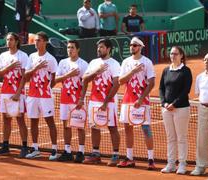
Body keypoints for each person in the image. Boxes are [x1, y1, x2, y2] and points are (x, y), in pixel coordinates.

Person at [77, 38, 121, 166]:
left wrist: (106, 102)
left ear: (108, 49)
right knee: (94, 127)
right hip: (94, 101)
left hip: (109, 102)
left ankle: (115, 155)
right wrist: (96, 72)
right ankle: (96, 154)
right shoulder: (93, 63)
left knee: (112, 128)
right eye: (98, 47)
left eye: (101, 47)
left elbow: (116, 84)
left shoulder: (114, 64)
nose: (99, 49)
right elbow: (84, 80)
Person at [118, 37, 156, 170]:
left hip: (142, 102)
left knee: (146, 130)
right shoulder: (125, 62)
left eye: (134, 45)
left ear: (140, 47)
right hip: (127, 101)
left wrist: (140, 99)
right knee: (127, 128)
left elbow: (151, 83)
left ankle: (151, 159)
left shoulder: (147, 62)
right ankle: (129, 158)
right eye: (130, 45)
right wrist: (133, 71)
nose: (132, 47)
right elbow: (121, 81)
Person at [0, 32, 29, 157]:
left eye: (11, 39)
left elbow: (25, 77)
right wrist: (9, 67)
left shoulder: (23, 56)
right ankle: (5, 145)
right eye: (7, 39)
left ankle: (24, 147)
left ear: (17, 41)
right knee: (6, 120)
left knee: (20, 120)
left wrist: (18, 93)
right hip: (5, 92)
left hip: (18, 93)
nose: (9, 42)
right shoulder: (3, 55)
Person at [24, 31, 59, 160]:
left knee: (50, 121)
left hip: (45, 96)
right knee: (33, 121)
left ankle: (54, 149)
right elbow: (26, 75)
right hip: (32, 95)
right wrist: (35, 68)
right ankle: (35, 148)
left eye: (38, 40)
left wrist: (46, 90)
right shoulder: (31, 57)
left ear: (45, 42)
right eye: (35, 40)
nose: (36, 43)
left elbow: (54, 79)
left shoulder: (51, 59)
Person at [159, 46, 192, 174]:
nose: (173, 56)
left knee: (181, 137)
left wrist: (174, 103)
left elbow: (186, 90)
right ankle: (171, 164)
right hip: (167, 109)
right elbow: (161, 88)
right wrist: (164, 103)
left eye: (176, 54)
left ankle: (182, 164)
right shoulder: (166, 70)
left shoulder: (186, 71)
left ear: (181, 56)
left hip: (181, 109)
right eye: (171, 53)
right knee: (170, 137)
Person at [55, 40, 88, 163]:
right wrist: (68, 74)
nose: (70, 50)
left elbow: (85, 84)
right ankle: (67, 151)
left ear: (78, 49)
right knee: (66, 126)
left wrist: (81, 99)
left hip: (76, 101)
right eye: (68, 48)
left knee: (79, 126)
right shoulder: (63, 63)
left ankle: (81, 152)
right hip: (64, 99)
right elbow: (57, 79)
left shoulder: (84, 64)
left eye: (72, 48)